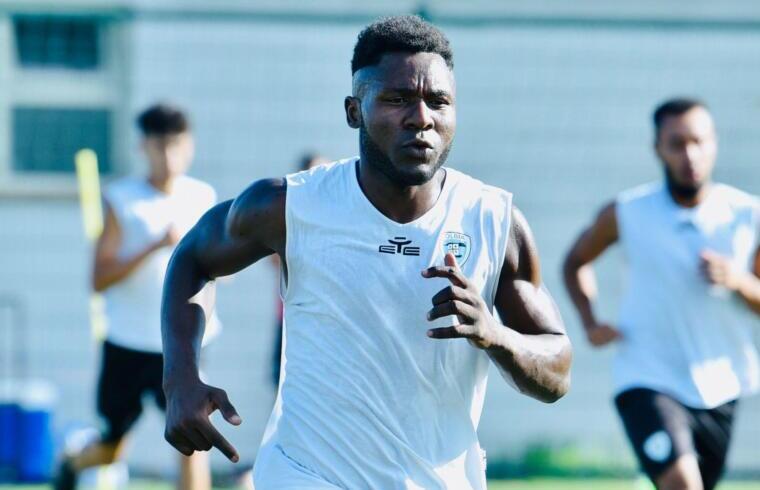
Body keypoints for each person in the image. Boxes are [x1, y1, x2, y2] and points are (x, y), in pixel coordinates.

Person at [161, 16, 572, 490]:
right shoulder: (289, 205)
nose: (422, 118)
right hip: (307, 475)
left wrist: (494, 334)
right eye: (398, 99)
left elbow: (557, 369)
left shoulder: (495, 222)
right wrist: (181, 379)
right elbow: (192, 259)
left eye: (439, 101)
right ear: (354, 111)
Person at [563, 98, 760, 490]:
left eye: (698, 141)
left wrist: (737, 280)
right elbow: (575, 262)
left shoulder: (747, 214)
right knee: (683, 486)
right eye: (676, 143)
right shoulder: (628, 211)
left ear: (714, 143)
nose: (690, 154)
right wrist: (589, 320)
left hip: (720, 385)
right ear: (658, 148)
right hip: (646, 375)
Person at [55, 103, 219, 490]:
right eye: (159, 146)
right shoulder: (121, 199)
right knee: (113, 448)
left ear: (190, 146)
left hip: (183, 343)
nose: (168, 156)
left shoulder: (203, 196)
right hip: (128, 342)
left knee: (194, 440)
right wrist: (154, 246)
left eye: (176, 145)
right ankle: (73, 462)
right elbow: (98, 278)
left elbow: (220, 273)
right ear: (143, 147)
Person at [269, 152, 328, 389]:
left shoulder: (340, 216)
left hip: (326, 321)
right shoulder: (289, 213)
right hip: (291, 319)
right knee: (284, 387)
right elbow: (273, 259)